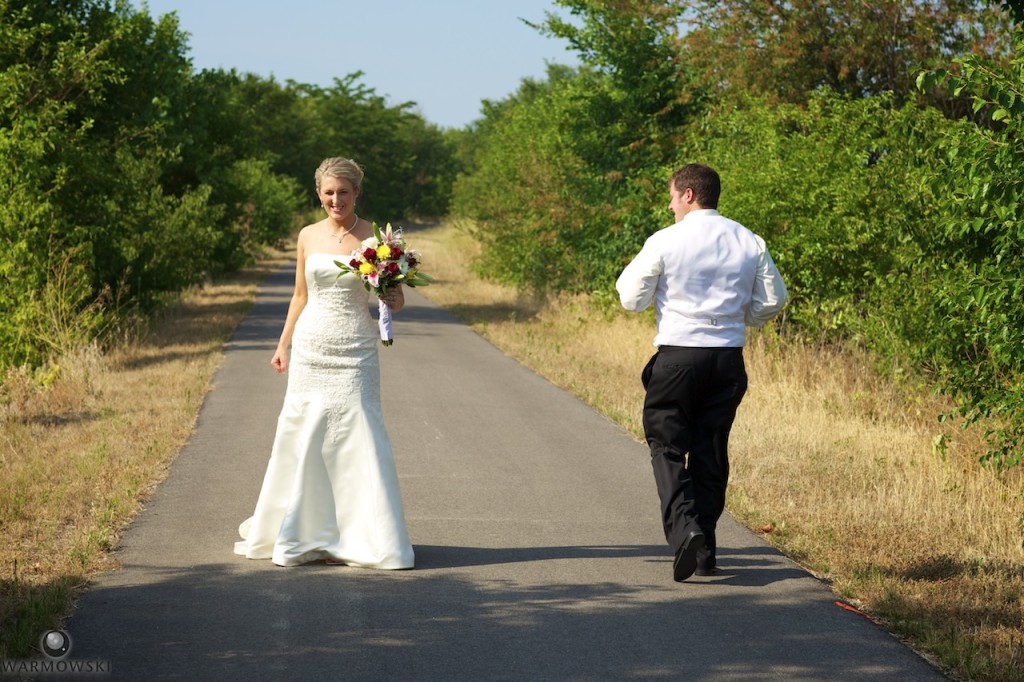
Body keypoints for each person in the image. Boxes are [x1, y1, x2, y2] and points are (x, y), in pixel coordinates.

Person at [234, 157, 414, 569]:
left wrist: (390, 289)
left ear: (356, 194)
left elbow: (398, 302)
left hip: (356, 347)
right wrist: (283, 345)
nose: (336, 200)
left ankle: (356, 536)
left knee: (358, 433)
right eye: (329, 192)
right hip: (312, 346)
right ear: (319, 194)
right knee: (307, 433)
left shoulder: (378, 239)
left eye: (344, 192)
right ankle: (304, 530)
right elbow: (300, 296)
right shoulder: (307, 236)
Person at [615, 163, 787, 582]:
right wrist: (740, 317)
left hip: (678, 357)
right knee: (711, 449)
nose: (670, 204)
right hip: (727, 358)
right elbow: (774, 299)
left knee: (667, 446)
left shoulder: (666, 240)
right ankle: (706, 551)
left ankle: (686, 529)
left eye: (673, 196)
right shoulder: (749, 239)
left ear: (689, 194)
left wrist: (662, 298)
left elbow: (630, 297)